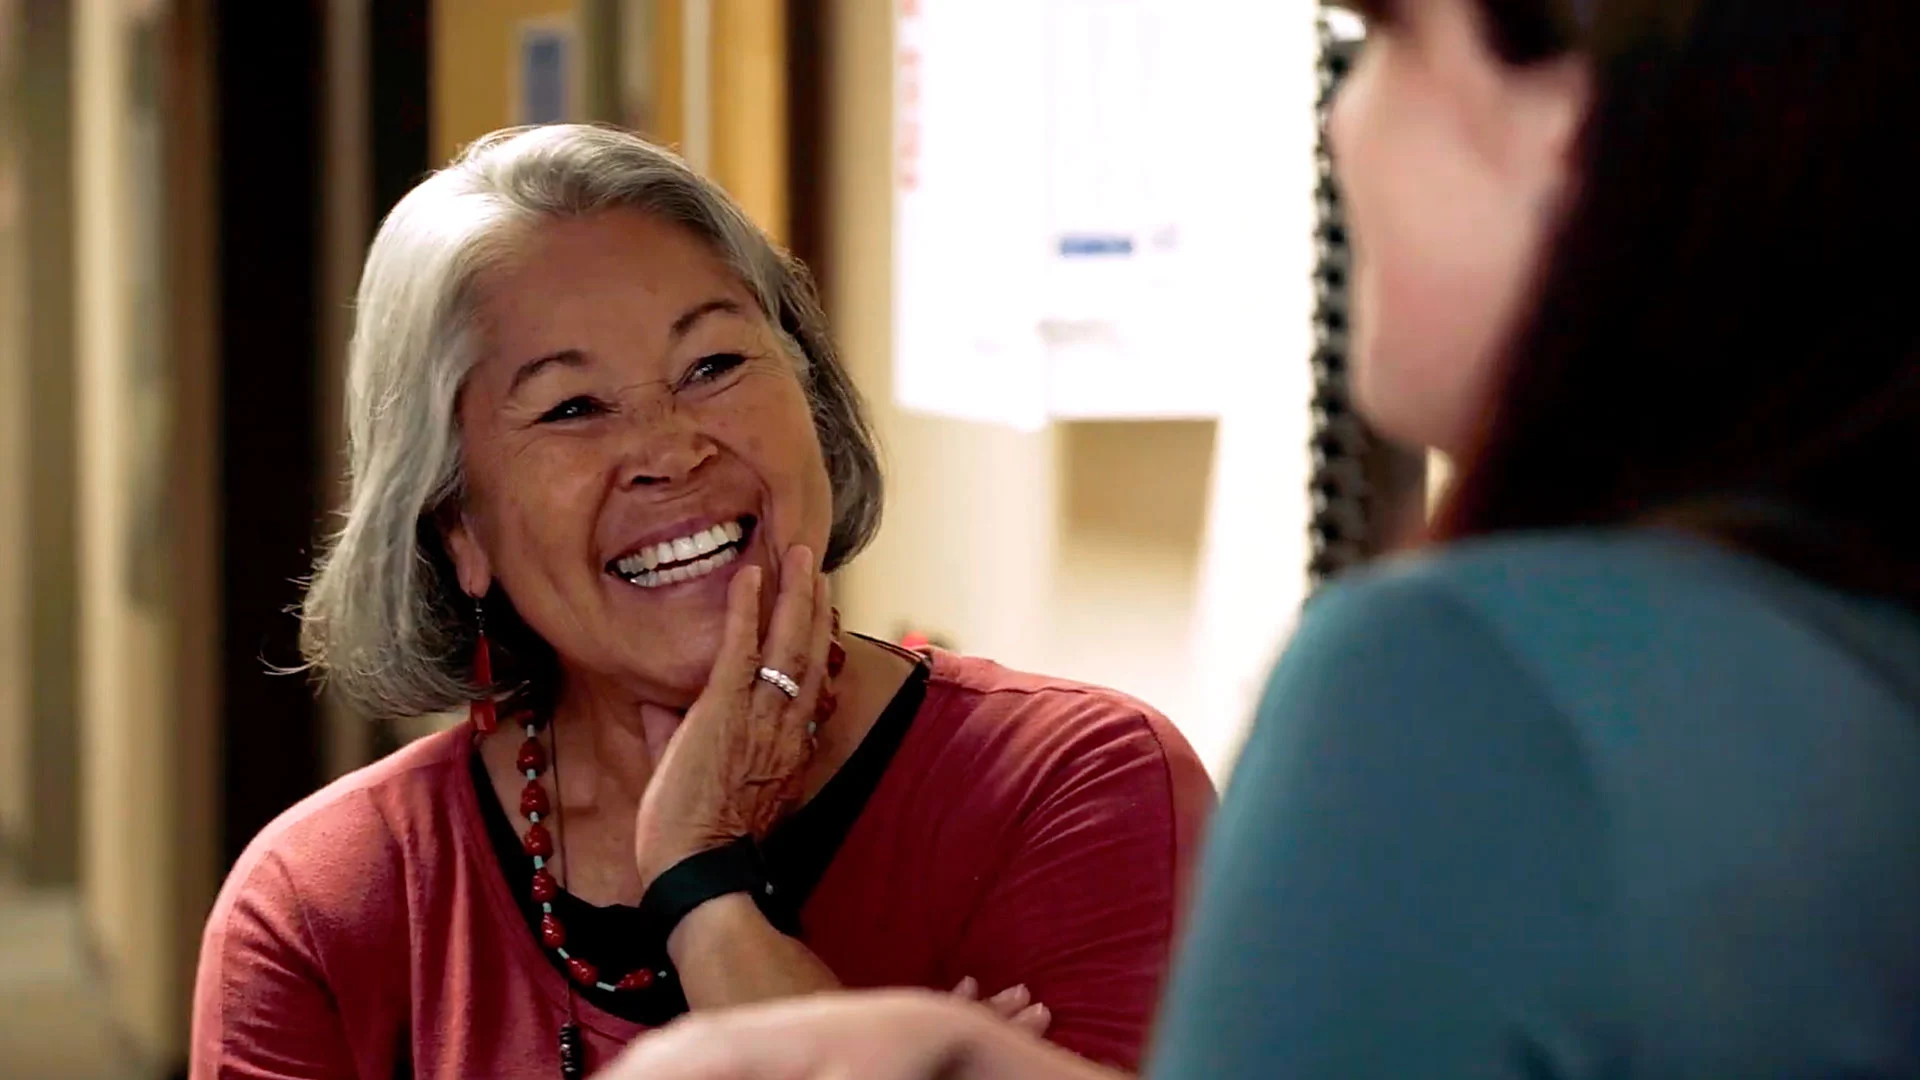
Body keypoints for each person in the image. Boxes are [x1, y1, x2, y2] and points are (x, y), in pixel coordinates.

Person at [604, 0, 1920, 1076]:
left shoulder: (1452, 685)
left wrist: (705, 891)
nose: (1343, 123)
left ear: (1587, 103)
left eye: (1393, 40)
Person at [187, 124, 1214, 1080]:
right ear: (458, 525)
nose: (671, 450)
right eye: (572, 407)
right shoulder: (324, 907)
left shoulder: (1081, 787)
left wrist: (701, 885)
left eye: (715, 364)